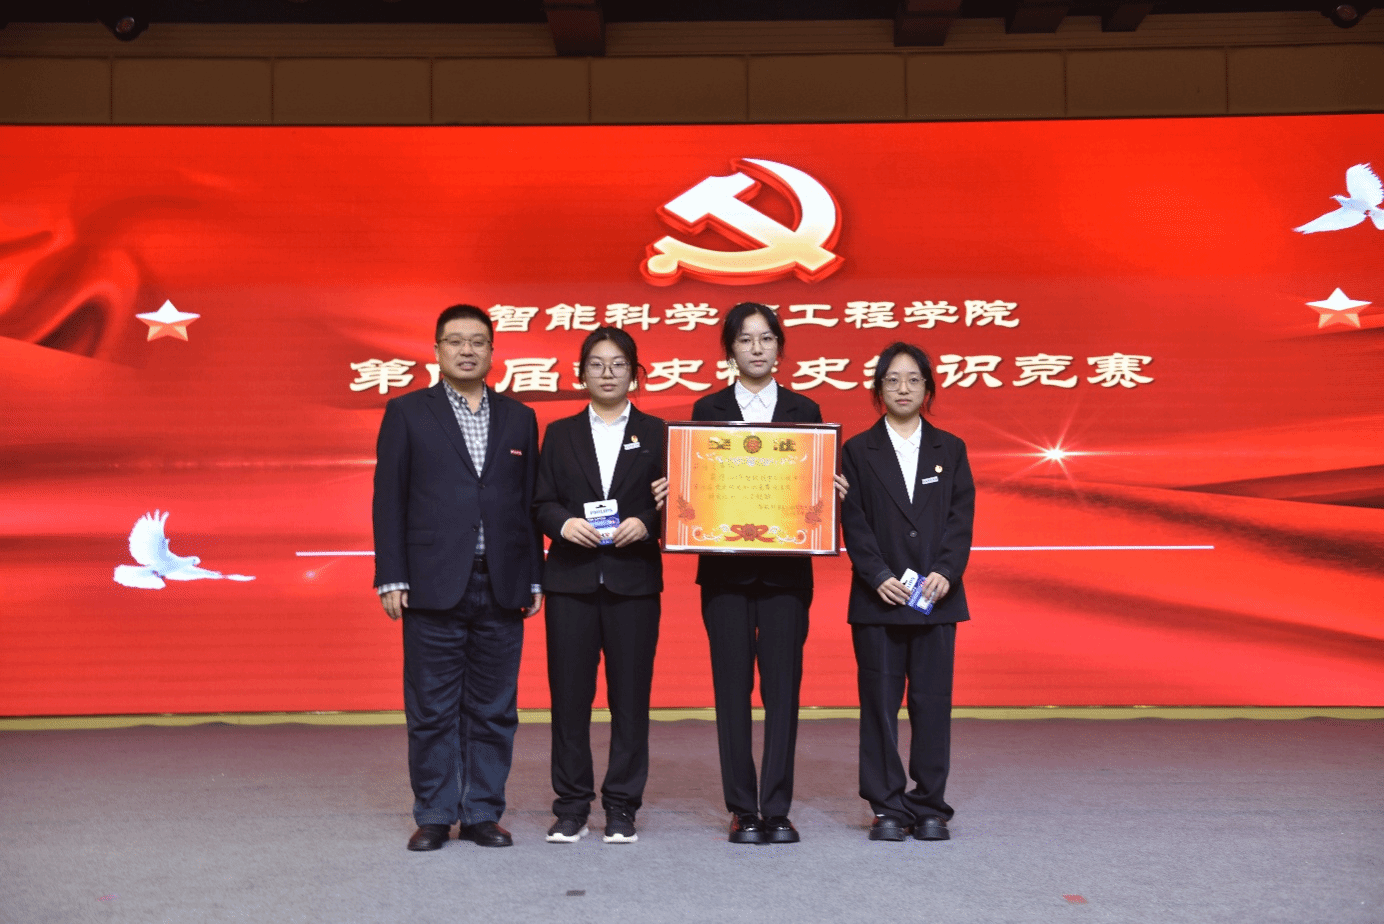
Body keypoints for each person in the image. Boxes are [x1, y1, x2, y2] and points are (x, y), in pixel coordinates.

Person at [371, 304, 544, 852]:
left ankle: (482, 813)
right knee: (431, 709)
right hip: (431, 582)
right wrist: (391, 576)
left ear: (492, 351)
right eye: (455, 341)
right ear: (437, 351)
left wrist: (534, 578)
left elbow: (527, 503)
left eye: (477, 342)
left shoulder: (520, 417)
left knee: (495, 709)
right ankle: (435, 813)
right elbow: (388, 499)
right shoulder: (407, 412)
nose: (467, 351)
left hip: (502, 583)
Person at [689, 301, 846, 845]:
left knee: (783, 693)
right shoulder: (706, 410)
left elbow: (812, 490)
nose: (756, 349)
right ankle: (742, 809)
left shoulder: (806, 411)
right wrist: (677, 492)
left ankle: (776, 808)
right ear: (729, 350)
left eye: (766, 338)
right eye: (745, 339)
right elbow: (697, 484)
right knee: (731, 694)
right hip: (724, 577)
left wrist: (829, 490)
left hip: (785, 577)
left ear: (780, 347)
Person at [533, 328, 665, 845]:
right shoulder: (559, 433)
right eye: (596, 364)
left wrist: (647, 523)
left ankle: (622, 805)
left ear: (635, 373)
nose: (607, 374)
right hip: (571, 580)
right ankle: (570, 806)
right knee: (569, 699)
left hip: (634, 582)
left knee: (631, 699)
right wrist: (564, 524)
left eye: (618, 364)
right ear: (581, 373)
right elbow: (540, 501)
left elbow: (681, 502)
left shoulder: (658, 433)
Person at [839, 341, 975, 843]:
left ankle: (930, 805)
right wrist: (877, 575)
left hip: (937, 600)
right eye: (892, 380)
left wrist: (946, 572)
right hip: (879, 600)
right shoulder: (857, 451)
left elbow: (961, 520)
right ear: (878, 389)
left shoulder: (951, 449)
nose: (903, 388)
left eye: (913, 379)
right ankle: (887, 807)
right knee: (878, 707)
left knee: (932, 705)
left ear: (928, 388)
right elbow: (853, 522)